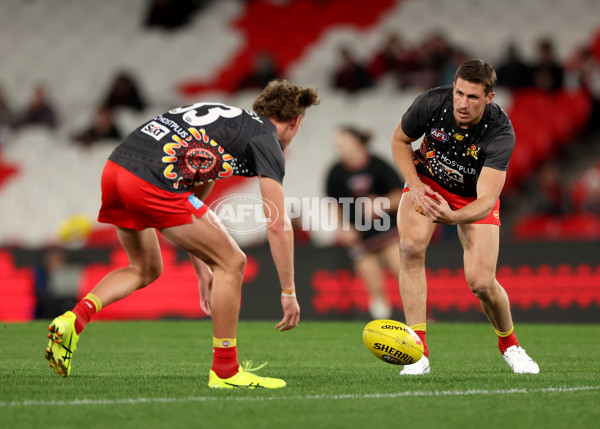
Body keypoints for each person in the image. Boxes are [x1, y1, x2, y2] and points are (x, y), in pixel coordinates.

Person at [45, 79, 320, 388]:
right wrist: (289, 294)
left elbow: (192, 202)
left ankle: (74, 318)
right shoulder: (266, 140)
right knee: (233, 262)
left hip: (117, 168)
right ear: (295, 121)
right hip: (150, 180)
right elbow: (278, 225)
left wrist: (202, 270)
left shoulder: (227, 122)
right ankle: (226, 371)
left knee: (145, 269)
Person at [390, 59, 539, 375]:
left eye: (472, 97)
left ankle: (510, 345)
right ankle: (418, 353)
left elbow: (486, 200)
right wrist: (414, 185)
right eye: (459, 93)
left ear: (489, 98)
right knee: (410, 247)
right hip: (428, 180)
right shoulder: (432, 102)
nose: (462, 103)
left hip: (471, 198)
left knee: (482, 283)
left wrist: (452, 216)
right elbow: (400, 140)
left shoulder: (500, 133)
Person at [325, 126, 403, 319]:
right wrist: (343, 228)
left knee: (403, 272)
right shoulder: (335, 172)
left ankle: (423, 318)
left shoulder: (378, 165)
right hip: (360, 237)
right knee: (373, 285)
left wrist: (380, 204)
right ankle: (381, 323)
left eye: (343, 143)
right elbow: (334, 204)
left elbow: (400, 194)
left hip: (387, 233)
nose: (338, 147)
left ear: (357, 142)